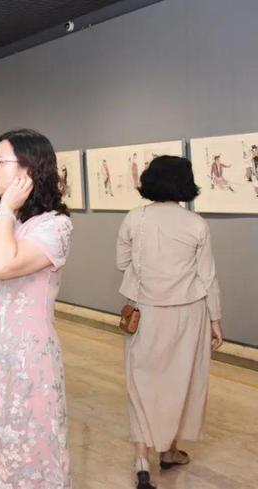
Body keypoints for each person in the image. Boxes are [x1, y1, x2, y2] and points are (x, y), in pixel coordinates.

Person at [0, 129, 72, 487]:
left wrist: (6, 209)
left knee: (28, 443)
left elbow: (4, 266)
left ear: (29, 171)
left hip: (27, 358)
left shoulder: (55, 225)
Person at [116, 155, 223, 489]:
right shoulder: (196, 224)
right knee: (180, 381)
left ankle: (141, 461)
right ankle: (169, 450)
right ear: (184, 183)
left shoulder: (134, 218)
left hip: (145, 312)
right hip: (188, 313)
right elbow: (207, 278)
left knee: (141, 382)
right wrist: (216, 319)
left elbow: (121, 262)